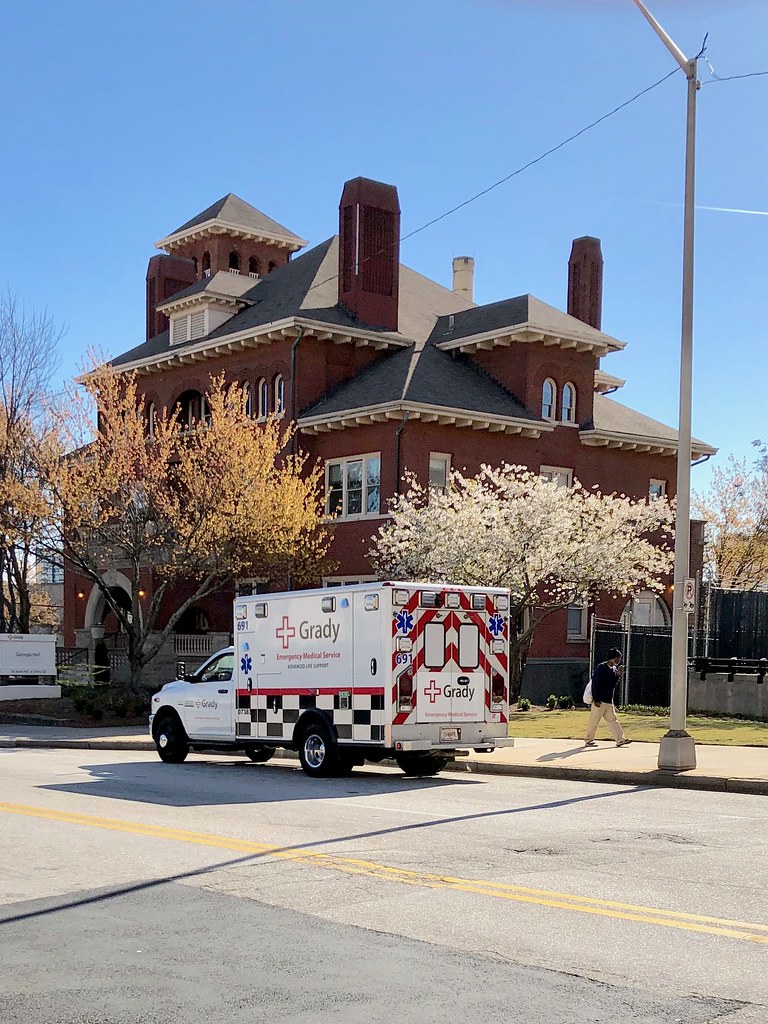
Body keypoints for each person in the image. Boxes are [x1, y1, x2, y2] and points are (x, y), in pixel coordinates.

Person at [584, 647, 631, 748]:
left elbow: (612, 684)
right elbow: (595, 683)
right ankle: (588, 740)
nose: (618, 661)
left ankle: (620, 739)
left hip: (609, 700)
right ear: (611, 658)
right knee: (594, 721)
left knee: (613, 720)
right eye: (617, 658)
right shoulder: (601, 668)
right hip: (600, 701)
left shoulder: (613, 669)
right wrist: (596, 699)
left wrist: (618, 674)